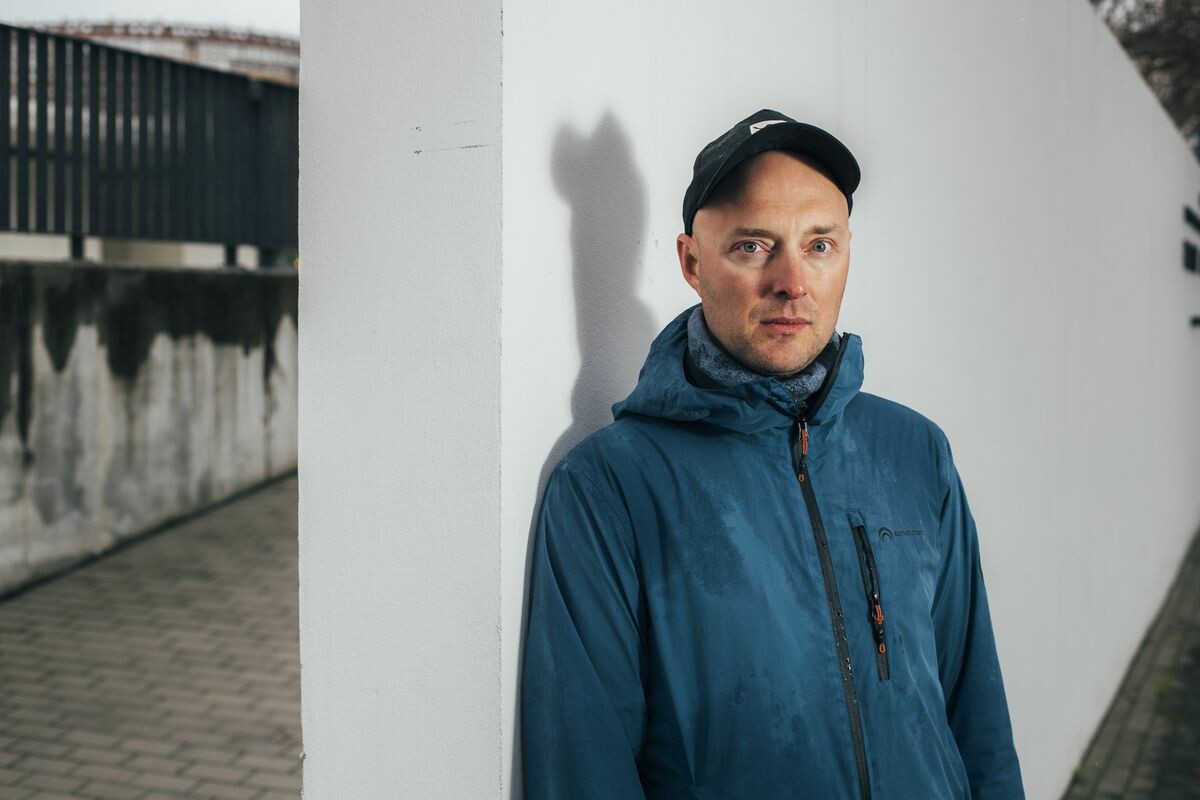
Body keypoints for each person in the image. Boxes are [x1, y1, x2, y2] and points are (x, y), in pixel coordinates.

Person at [520, 108, 1024, 800]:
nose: (792, 281)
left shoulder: (914, 452)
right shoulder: (610, 487)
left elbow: (978, 718)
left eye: (820, 245)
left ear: (847, 253)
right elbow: (585, 770)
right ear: (692, 263)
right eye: (754, 246)